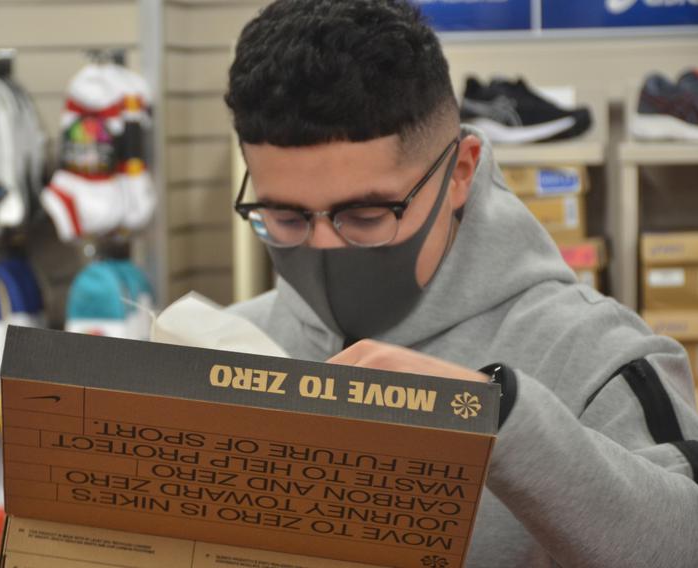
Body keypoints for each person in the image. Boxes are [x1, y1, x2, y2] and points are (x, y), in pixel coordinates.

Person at [224, 1, 698, 566]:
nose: (322, 248)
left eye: (368, 215)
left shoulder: (599, 356)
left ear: (461, 172)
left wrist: (498, 422)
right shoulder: (230, 340)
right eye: (286, 217)